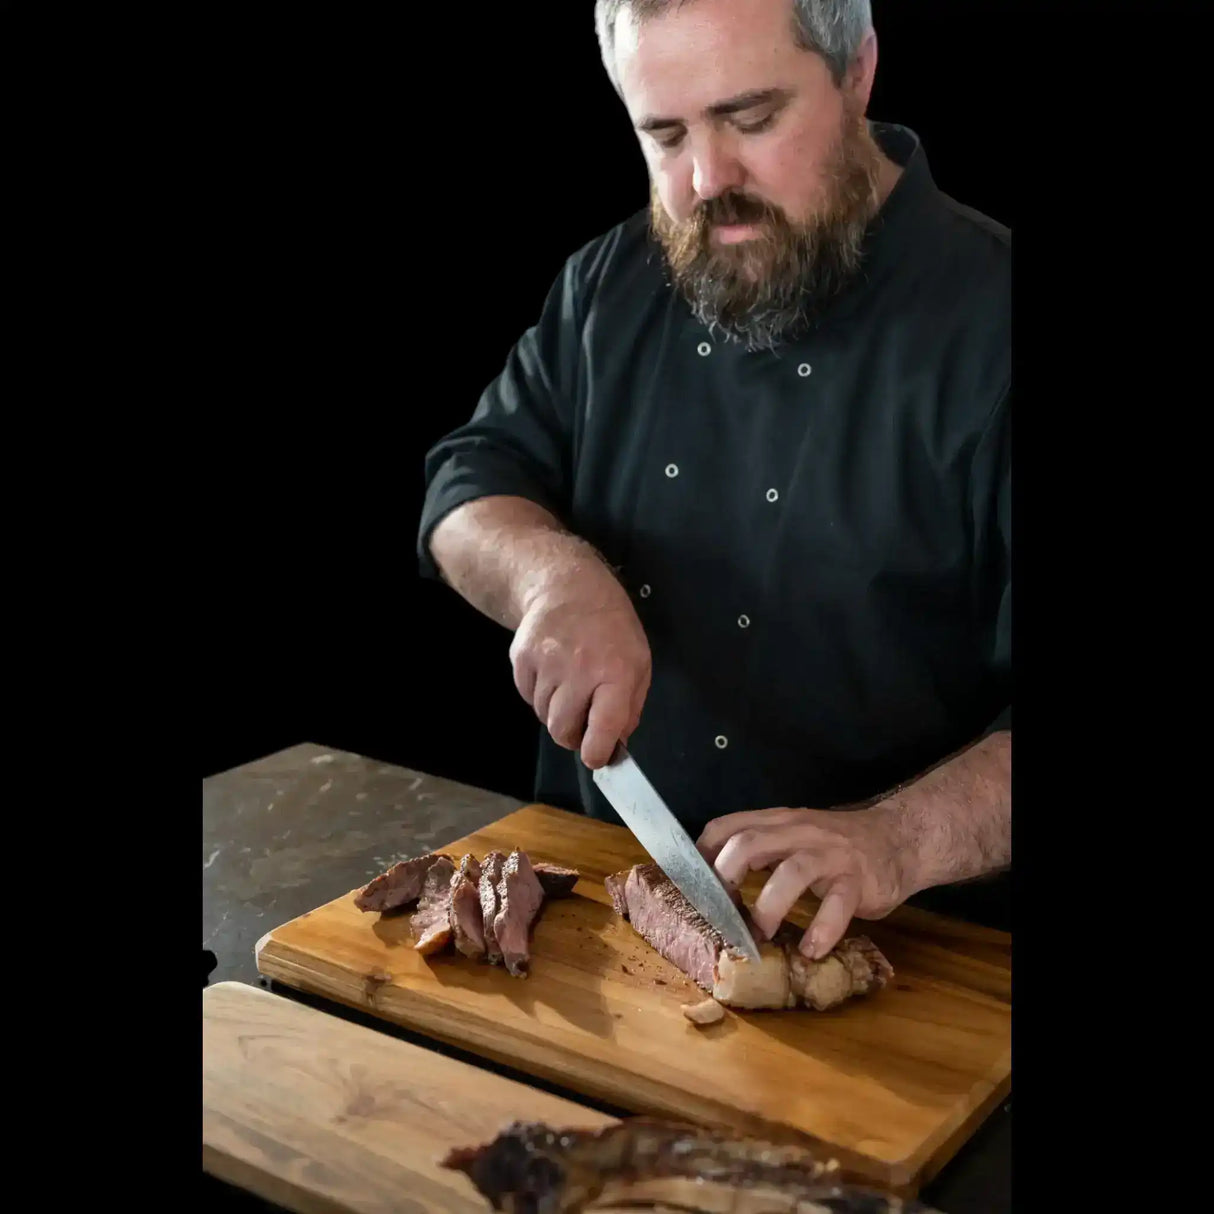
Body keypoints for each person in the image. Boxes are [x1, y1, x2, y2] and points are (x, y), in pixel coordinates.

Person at [417, 0, 1010, 960]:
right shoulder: (608, 285)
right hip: (591, 931)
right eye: (665, 136)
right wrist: (551, 576)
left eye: (751, 118)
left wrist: (897, 840)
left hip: (913, 964)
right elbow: (466, 485)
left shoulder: (995, 327)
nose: (706, 180)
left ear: (857, 71)